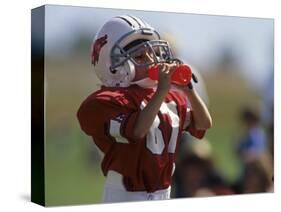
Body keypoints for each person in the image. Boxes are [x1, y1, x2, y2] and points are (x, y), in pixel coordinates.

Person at [77, 15, 212, 203]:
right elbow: (138, 130)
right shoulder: (103, 101)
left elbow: (204, 124)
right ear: (113, 66)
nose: (151, 61)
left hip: (164, 194)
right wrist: (161, 92)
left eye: (152, 53)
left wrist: (189, 92)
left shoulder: (170, 98)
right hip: (126, 197)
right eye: (141, 56)